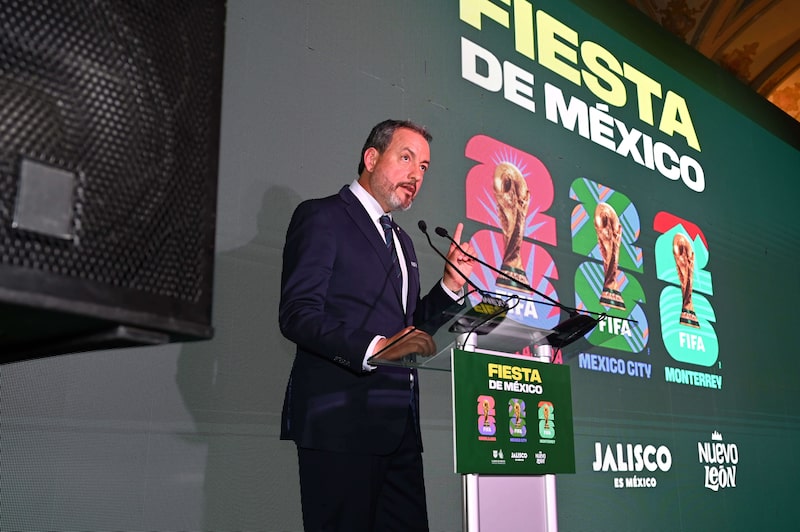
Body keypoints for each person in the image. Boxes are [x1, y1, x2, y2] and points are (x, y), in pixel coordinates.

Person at [279, 119, 475, 531]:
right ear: (371, 158)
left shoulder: (404, 241)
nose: (416, 175)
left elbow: (411, 331)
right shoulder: (322, 217)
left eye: (423, 167)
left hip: (399, 428)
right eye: (406, 158)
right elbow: (298, 314)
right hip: (339, 424)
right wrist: (373, 349)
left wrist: (450, 285)